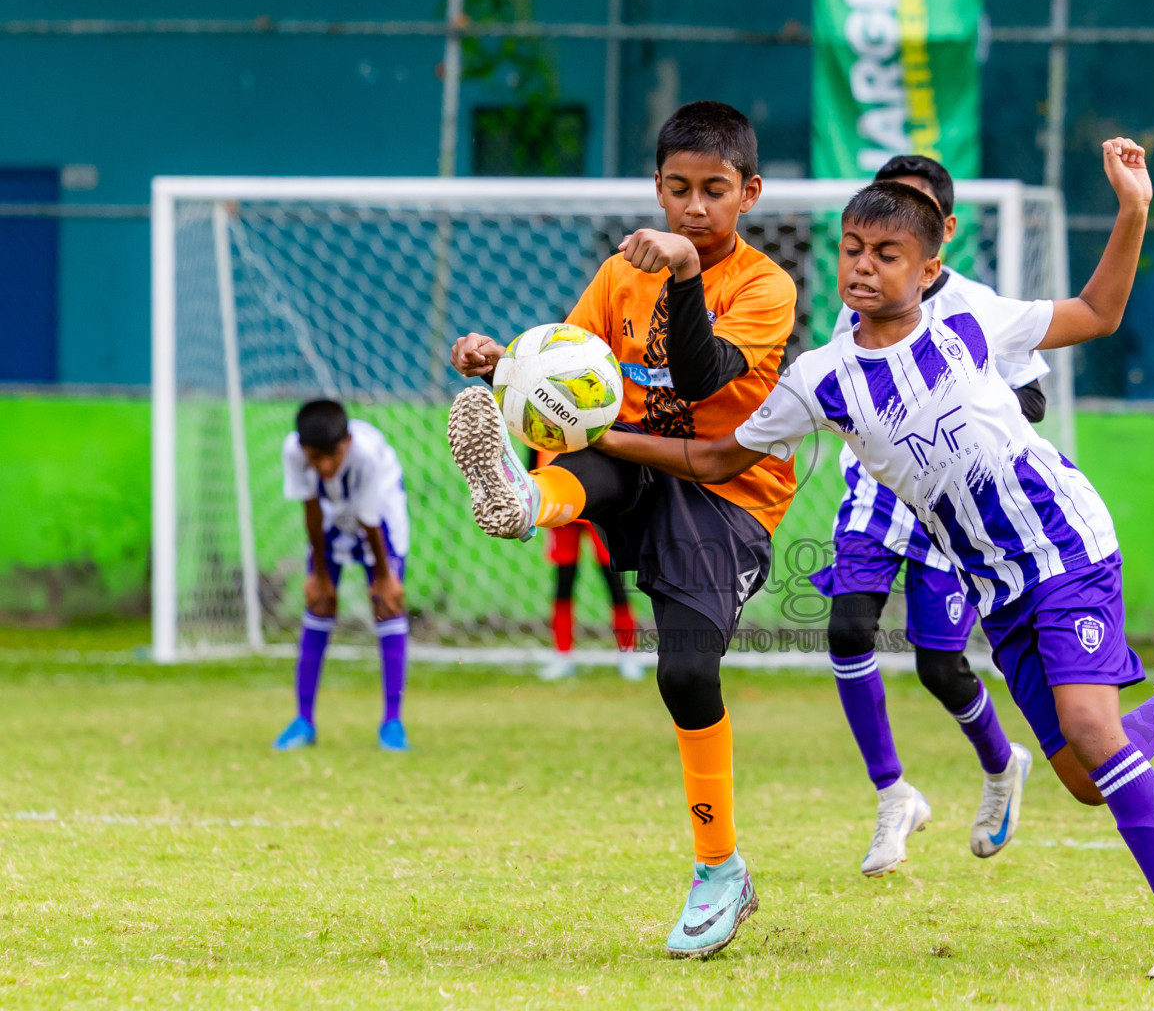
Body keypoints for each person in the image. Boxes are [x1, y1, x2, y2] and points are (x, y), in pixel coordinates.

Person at [587, 144, 1154, 982]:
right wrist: (602, 437)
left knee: (1092, 733)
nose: (865, 269)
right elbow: (719, 456)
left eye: (888, 254)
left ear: (929, 264)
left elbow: (1098, 310)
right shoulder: (822, 376)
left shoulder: (974, 321)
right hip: (996, 589)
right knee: (1089, 782)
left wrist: (1133, 209)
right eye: (853, 251)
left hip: (1065, 547)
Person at [445, 101, 797, 958]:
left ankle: (721, 869)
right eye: (678, 190)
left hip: (725, 493)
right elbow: (575, 373)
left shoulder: (765, 286)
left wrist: (681, 273)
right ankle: (522, 504)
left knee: (684, 673)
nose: (695, 207)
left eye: (715, 191)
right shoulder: (616, 273)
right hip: (631, 463)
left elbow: (703, 373)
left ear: (748, 193)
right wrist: (508, 368)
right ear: (657, 186)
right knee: (599, 451)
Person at [814, 154, 1050, 877]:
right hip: (877, 495)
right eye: (871, 233)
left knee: (940, 665)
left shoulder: (977, 305)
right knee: (849, 628)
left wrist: (952, 402)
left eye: (905, 227)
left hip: (953, 504)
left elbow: (1031, 400)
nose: (882, 247)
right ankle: (892, 795)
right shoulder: (855, 301)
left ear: (940, 234)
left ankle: (1002, 763)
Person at [273, 399, 411, 752]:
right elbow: (310, 508)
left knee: (387, 605)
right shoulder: (293, 451)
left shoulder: (367, 456)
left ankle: (392, 724)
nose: (325, 465)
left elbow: (370, 520)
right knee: (318, 603)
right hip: (332, 515)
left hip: (381, 520)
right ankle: (303, 721)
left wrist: (384, 576)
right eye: (315, 458)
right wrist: (319, 574)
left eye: (332, 455)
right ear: (303, 448)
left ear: (346, 442)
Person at [528, 450, 644, 683]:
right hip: (559, 501)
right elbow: (531, 457)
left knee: (613, 579)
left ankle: (627, 653)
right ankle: (563, 655)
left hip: (597, 503)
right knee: (564, 581)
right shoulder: (537, 422)